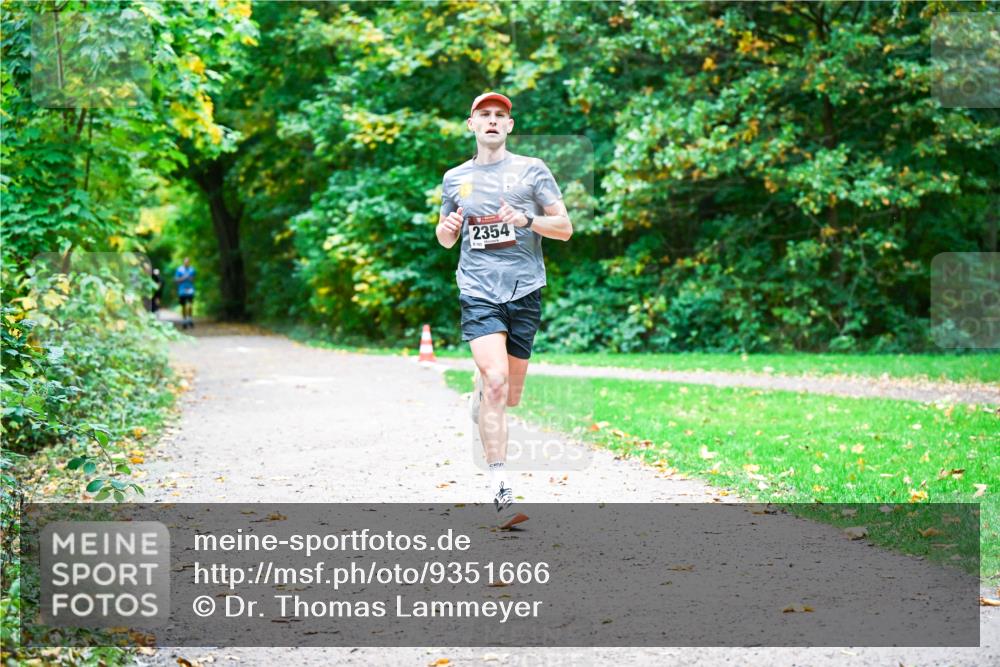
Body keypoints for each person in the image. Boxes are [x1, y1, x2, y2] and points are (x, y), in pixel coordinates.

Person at [435, 92, 573, 528]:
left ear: (509, 126)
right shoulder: (455, 178)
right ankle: (501, 489)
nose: (492, 121)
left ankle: (484, 391)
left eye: (500, 116)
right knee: (496, 381)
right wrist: (448, 228)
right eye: (484, 115)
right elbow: (443, 237)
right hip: (477, 288)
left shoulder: (532, 170)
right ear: (471, 124)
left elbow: (565, 229)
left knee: (508, 395)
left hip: (525, 289)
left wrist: (527, 221)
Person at [174, 257, 196, 329]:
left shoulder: (192, 270)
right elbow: (176, 280)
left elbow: (194, 279)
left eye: (188, 262)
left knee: (190, 305)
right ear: (183, 262)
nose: (187, 263)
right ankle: (184, 320)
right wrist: (184, 277)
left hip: (190, 289)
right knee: (183, 306)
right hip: (182, 290)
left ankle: (189, 319)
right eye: (185, 262)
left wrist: (190, 278)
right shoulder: (179, 270)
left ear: (189, 262)